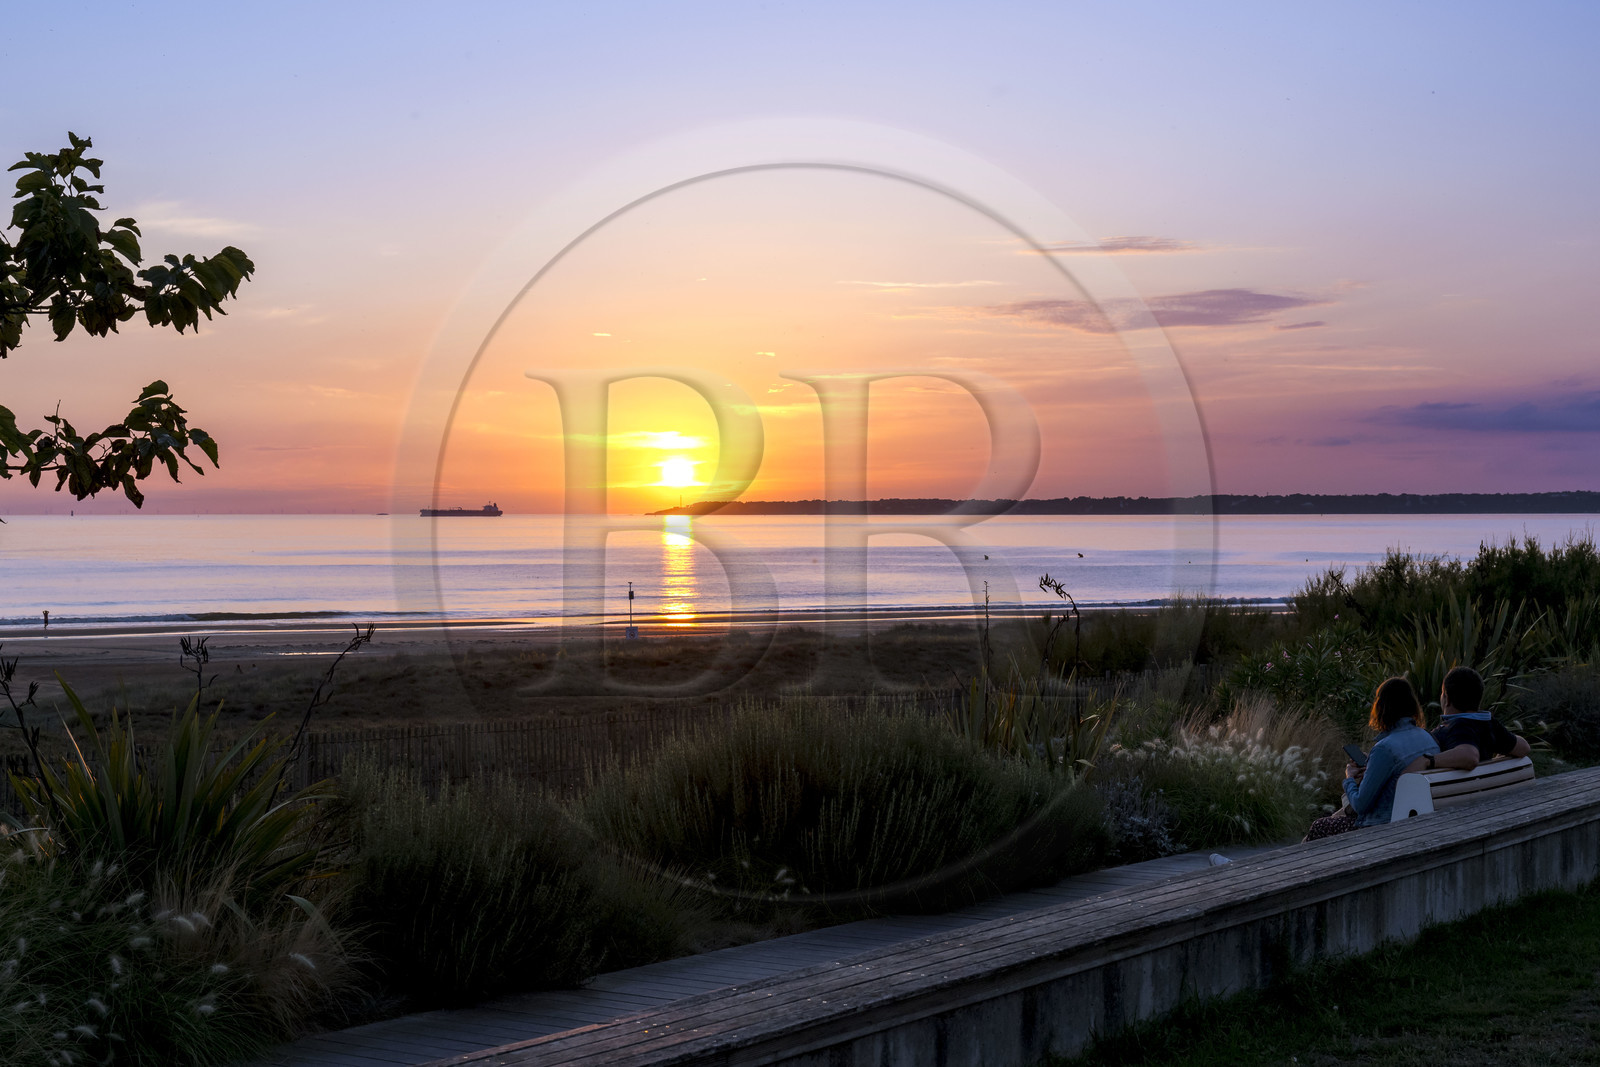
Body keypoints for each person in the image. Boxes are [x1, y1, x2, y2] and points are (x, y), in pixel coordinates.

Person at [1305, 676, 1440, 841]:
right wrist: (1373, 764)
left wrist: (1349, 778)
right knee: (1328, 819)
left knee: (1319, 826)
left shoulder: (1384, 748)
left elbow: (1361, 805)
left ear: (1382, 707)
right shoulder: (1427, 738)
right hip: (1417, 822)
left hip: (1382, 827)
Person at [1430, 665, 1530, 768]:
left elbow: (1469, 756)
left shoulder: (1456, 726)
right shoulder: (1488, 723)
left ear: (1447, 700)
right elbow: (1523, 747)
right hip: (1484, 782)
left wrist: (1429, 761)